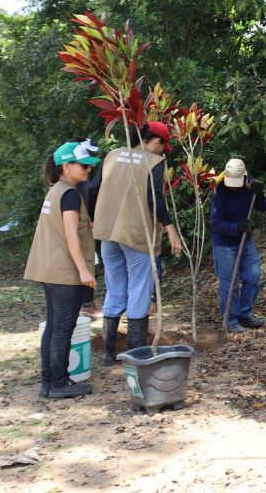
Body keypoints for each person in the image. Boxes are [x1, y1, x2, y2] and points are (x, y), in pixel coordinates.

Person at [88, 121, 182, 365]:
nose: (163, 152)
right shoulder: (154, 162)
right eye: (163, 146)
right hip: (135, 234)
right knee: (139, 289)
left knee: (115, 288)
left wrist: (91, 217)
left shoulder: (112, 155)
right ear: (154, 141)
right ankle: (135, 353)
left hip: (108, 234)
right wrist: (170, 228)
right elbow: (155, 198)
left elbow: (93, 188)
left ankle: (108, 353)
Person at [25, 140, 102, 399]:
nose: (88, 169)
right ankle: (58, 383)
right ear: (66, 166)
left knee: (54, 326)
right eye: (82, 165)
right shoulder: (69, 194)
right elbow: (71, 236)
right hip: (64, 271)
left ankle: (50, 382)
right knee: (62, 328)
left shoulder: (56, 190)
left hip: (50, 269)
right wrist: (84, 271)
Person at [210, 158, 266, 334]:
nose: (234, 187)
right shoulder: (219, 193)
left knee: (253, 276)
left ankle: (245, 314)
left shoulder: (250, 186)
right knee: (230, 283)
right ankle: (231, 319)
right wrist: (237, 227)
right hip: (225, 244)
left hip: (246, 241)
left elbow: (263, 207)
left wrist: (259, 194)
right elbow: (216, 223)